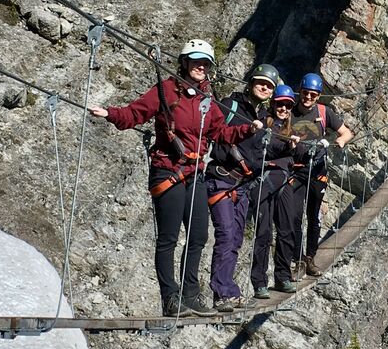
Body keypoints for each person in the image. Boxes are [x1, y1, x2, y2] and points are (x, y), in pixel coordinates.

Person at [88, 39, 263, 318]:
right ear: (184, 62)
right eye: (196, 61)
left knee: (197, 236)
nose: (201, 67)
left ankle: (190, 296)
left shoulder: (208, 98)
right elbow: (135, 113)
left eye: (205, 63)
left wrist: (246, 131)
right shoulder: (167, 90)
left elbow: (219, 133)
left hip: (195, 173)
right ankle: (170, 299)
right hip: (168, 169)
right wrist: (110, 113)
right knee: (168, 238)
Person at [206, 64, 292, 311]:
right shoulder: (229, 105)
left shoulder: (265, 117)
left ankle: (229, 291)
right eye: (260, 83)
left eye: (269, 85)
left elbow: (266, 149)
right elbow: (215, 131)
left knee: (234, 239)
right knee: (225, 235)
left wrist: (291, 146)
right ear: (251, 83)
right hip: (221, 178)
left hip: (242, 186)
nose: (264, 87)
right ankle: (222, 293)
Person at [280, 72, 353, 283]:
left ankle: (310, 258)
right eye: (305, 93)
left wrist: (339, 142)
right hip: (296, 170)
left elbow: (346, 133)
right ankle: (297, 260)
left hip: (318, 170)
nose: (308, 98)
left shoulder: (324, 112)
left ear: (318, 96)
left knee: (314, 217)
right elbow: (277, 132)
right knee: (294, 216)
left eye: (313, 94)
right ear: (299, 92)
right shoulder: (290, 112)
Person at [250, 84, 298, 298]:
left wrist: (299, 146)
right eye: (280, 104)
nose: (284, 109)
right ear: (273, 104)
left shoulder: (291, 129)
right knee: (263, 232)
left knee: (286, 230)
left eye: (287, 106)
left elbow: (301, 153)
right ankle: (259, 282)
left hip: (283, 181)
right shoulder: (262, 122)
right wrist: (288, 146)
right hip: (263, 180)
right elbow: (262, 147)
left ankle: (283, 276)